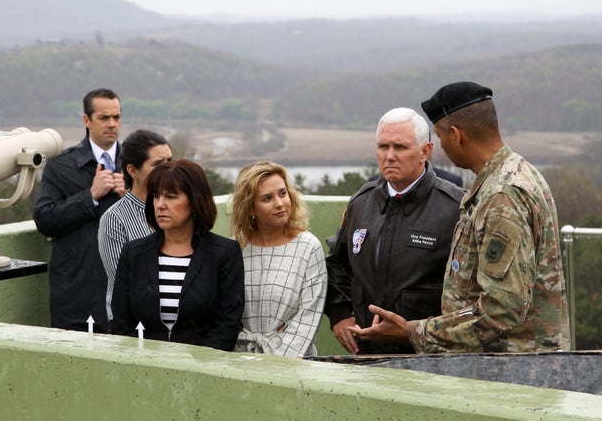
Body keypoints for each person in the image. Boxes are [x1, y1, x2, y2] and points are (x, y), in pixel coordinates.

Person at [349, 81, 571, 352]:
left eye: (441, 137)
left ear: (456, 135)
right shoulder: (515, 173)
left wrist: (413, 331)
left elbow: (500, 311)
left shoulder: (501, 195)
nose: (441, 146)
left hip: (510, 369)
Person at [325, 107, 464, 354]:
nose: (389, 156)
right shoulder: (362, 203)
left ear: (425, 152)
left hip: (429, 359)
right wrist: (339, 314)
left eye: (400, 147)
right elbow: (337, 264)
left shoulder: (456, 208)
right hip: (367, 354)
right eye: (383, 147)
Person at [110, 159, 244, 351]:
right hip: (143, 367)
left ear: (195, 201)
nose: (160, 205)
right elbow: (122, 322)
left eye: (171, 197)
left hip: (203, 369)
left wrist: (195, 366)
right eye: (156, 196)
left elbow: (228, 324)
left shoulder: (224, 253)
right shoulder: (134, 253)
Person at [34, 88, 126, 333]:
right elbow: (45, 220)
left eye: (116, 117)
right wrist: (90, 196)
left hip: (129, 288)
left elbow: (162, 218)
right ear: (87, 120)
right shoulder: (61, 167)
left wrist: (131, 196)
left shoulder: (135, 164)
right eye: (104, 118)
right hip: (77, 292)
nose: (112, 124)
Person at [230, 161, 327, 357]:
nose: (280, 203)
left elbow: (308, 318)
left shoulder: (308, 247)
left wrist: (278, 366)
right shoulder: (235, 249)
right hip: (241, 361)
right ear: (250, 208)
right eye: (267, 198)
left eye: (283, 193)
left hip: (293, 365)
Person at [98, 129, 173, 325]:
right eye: (158, 164)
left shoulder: (180, 209)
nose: (168, 169)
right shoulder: (115, 219)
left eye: (169, 161)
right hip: (135, 324)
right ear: (133, 171)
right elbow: (122, 285)